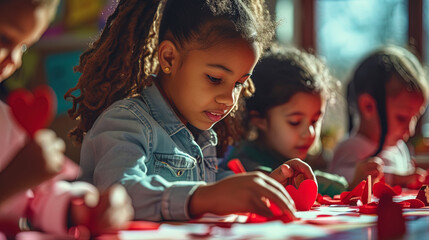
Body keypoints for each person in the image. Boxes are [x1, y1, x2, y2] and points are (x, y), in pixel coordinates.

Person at [65, 0, 316, 221]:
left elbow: (205, 189)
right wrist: (204, 196)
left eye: (239, 83)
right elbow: (118, 195)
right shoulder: (124, 121)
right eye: (215, 78)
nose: (230, 99)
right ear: (169, 59)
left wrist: (264, 185)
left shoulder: (198, 132)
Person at [0, 0, 133, 237]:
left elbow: (37, 198)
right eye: (5, 39)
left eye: (23, 48)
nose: (15, 61)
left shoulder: (6, 122)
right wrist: (9, 183)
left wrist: (81, 207)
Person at [220, 46, 353, 197]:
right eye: (295, 122)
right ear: (259, 120)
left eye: (315, 120)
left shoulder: (296, 155)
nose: (309, 132)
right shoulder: (244, 165)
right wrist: (347, 184)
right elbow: (290, 183)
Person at [329, 45, 428, 189]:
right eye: (401, 118)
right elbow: (339, 181)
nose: (410, 130)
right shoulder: (351, 148)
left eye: (415, 118)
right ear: (368, 106)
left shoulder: (400, 149)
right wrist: (397, 178)